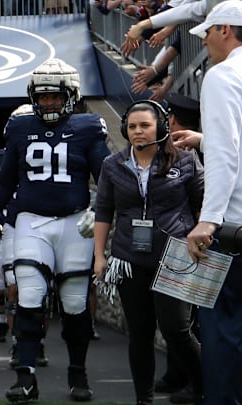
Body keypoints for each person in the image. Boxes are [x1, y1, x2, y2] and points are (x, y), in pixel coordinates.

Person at [0, 58, 110, 403]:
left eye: (55, 96)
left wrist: (100, 210)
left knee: (75, 302)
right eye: (42, 96)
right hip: (31, 220)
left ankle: (78, 372)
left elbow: (109, 177)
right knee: (30, 294)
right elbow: (4, 184)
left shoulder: (89, 127)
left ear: (71, 96)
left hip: (75, 222)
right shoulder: (19, 128)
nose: (47, 103)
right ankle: (26, 376)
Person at [93, 99, 204, 405]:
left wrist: (199, 238)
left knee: (176, 329)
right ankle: (145, 399)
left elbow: (203, 204)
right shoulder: (112, 165)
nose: (138, 132)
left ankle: (203, 386)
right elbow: (103, 211)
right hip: (129, 258)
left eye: (145, 125)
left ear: (162, 127)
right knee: (139, 334)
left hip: (176, 256)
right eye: (132, 127)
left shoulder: (185, 159)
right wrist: (100, 255)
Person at [186, 2, 242, 403]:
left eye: (207, 32)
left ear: (225, 29)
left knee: (221, 336)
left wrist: (208, 220)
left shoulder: (223, 76)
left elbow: (226, 153)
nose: (204, 41)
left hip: (231, 231)